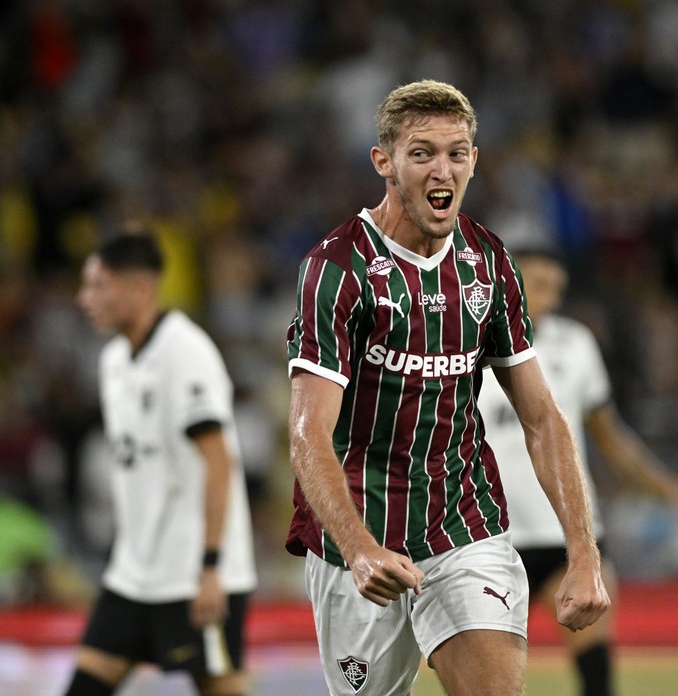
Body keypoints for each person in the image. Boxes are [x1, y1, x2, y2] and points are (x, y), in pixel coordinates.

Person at [285, 79, 609, 696]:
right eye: (423, 152)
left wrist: (584, 553)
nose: (444, 169)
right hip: (360, 537)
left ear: (473, 161)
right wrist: (357, 548)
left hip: (464, 524)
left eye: (456, 152)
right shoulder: (337, 268)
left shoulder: (489, 264)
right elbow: (308, 435)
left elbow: (542, 418)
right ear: (384, 162)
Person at [477, 246, 678, 696]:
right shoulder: (463, 344)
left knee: (597, 675)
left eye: (557, 289)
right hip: (489, 539)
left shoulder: (575, 344)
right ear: (507, 282)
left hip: (570, 535)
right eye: (537, 285)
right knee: (483, 681)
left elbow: (613, 441)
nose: (549, 299)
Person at [65, 230, 257, 696]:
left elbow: (219, 462)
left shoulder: (186, 354)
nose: (83, 297)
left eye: (98, 285)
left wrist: (211, 566)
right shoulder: (113, 361)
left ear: (139, 289)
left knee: (222, 687)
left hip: (195, 573)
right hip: (134, 572)